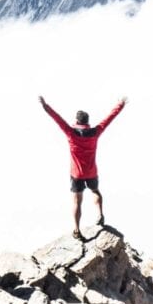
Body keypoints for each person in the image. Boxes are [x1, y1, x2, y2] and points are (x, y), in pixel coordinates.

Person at [38, 95, 127, 239]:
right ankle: (99, 214)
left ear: (77, 121)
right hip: (91, 171)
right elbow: (109, 119)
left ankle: (77, 230)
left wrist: (45, 106)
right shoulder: (95, 132)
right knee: (96, 191)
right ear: (87, 122)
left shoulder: (71, 133)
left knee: (77, 202)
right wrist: (120, 105)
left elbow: (58, 119)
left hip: (76, 174)